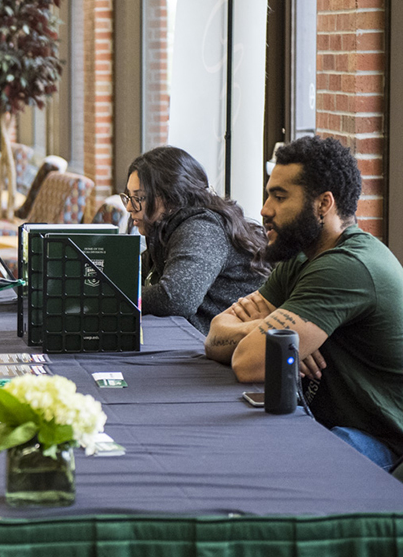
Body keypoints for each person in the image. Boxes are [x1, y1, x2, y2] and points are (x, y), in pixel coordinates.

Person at [205, 136, 403, 470]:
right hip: (323, 421)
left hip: (379, 442)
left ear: (323, 204)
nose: (265, 210)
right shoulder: (302, 258)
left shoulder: (346, 267)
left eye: (279, 197)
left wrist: (272, 335)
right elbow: (215, 337)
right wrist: (278, 333)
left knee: (262, 472)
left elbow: (247, 362)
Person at [123, 145, 269, 334]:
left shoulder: (202, 228)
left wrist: (115, 294)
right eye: (128, 197)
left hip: (225, 349)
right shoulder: (166, 231)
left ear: (172, 197)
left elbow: (175, 298)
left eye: (139, 198)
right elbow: (131, 276)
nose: (129, 207)